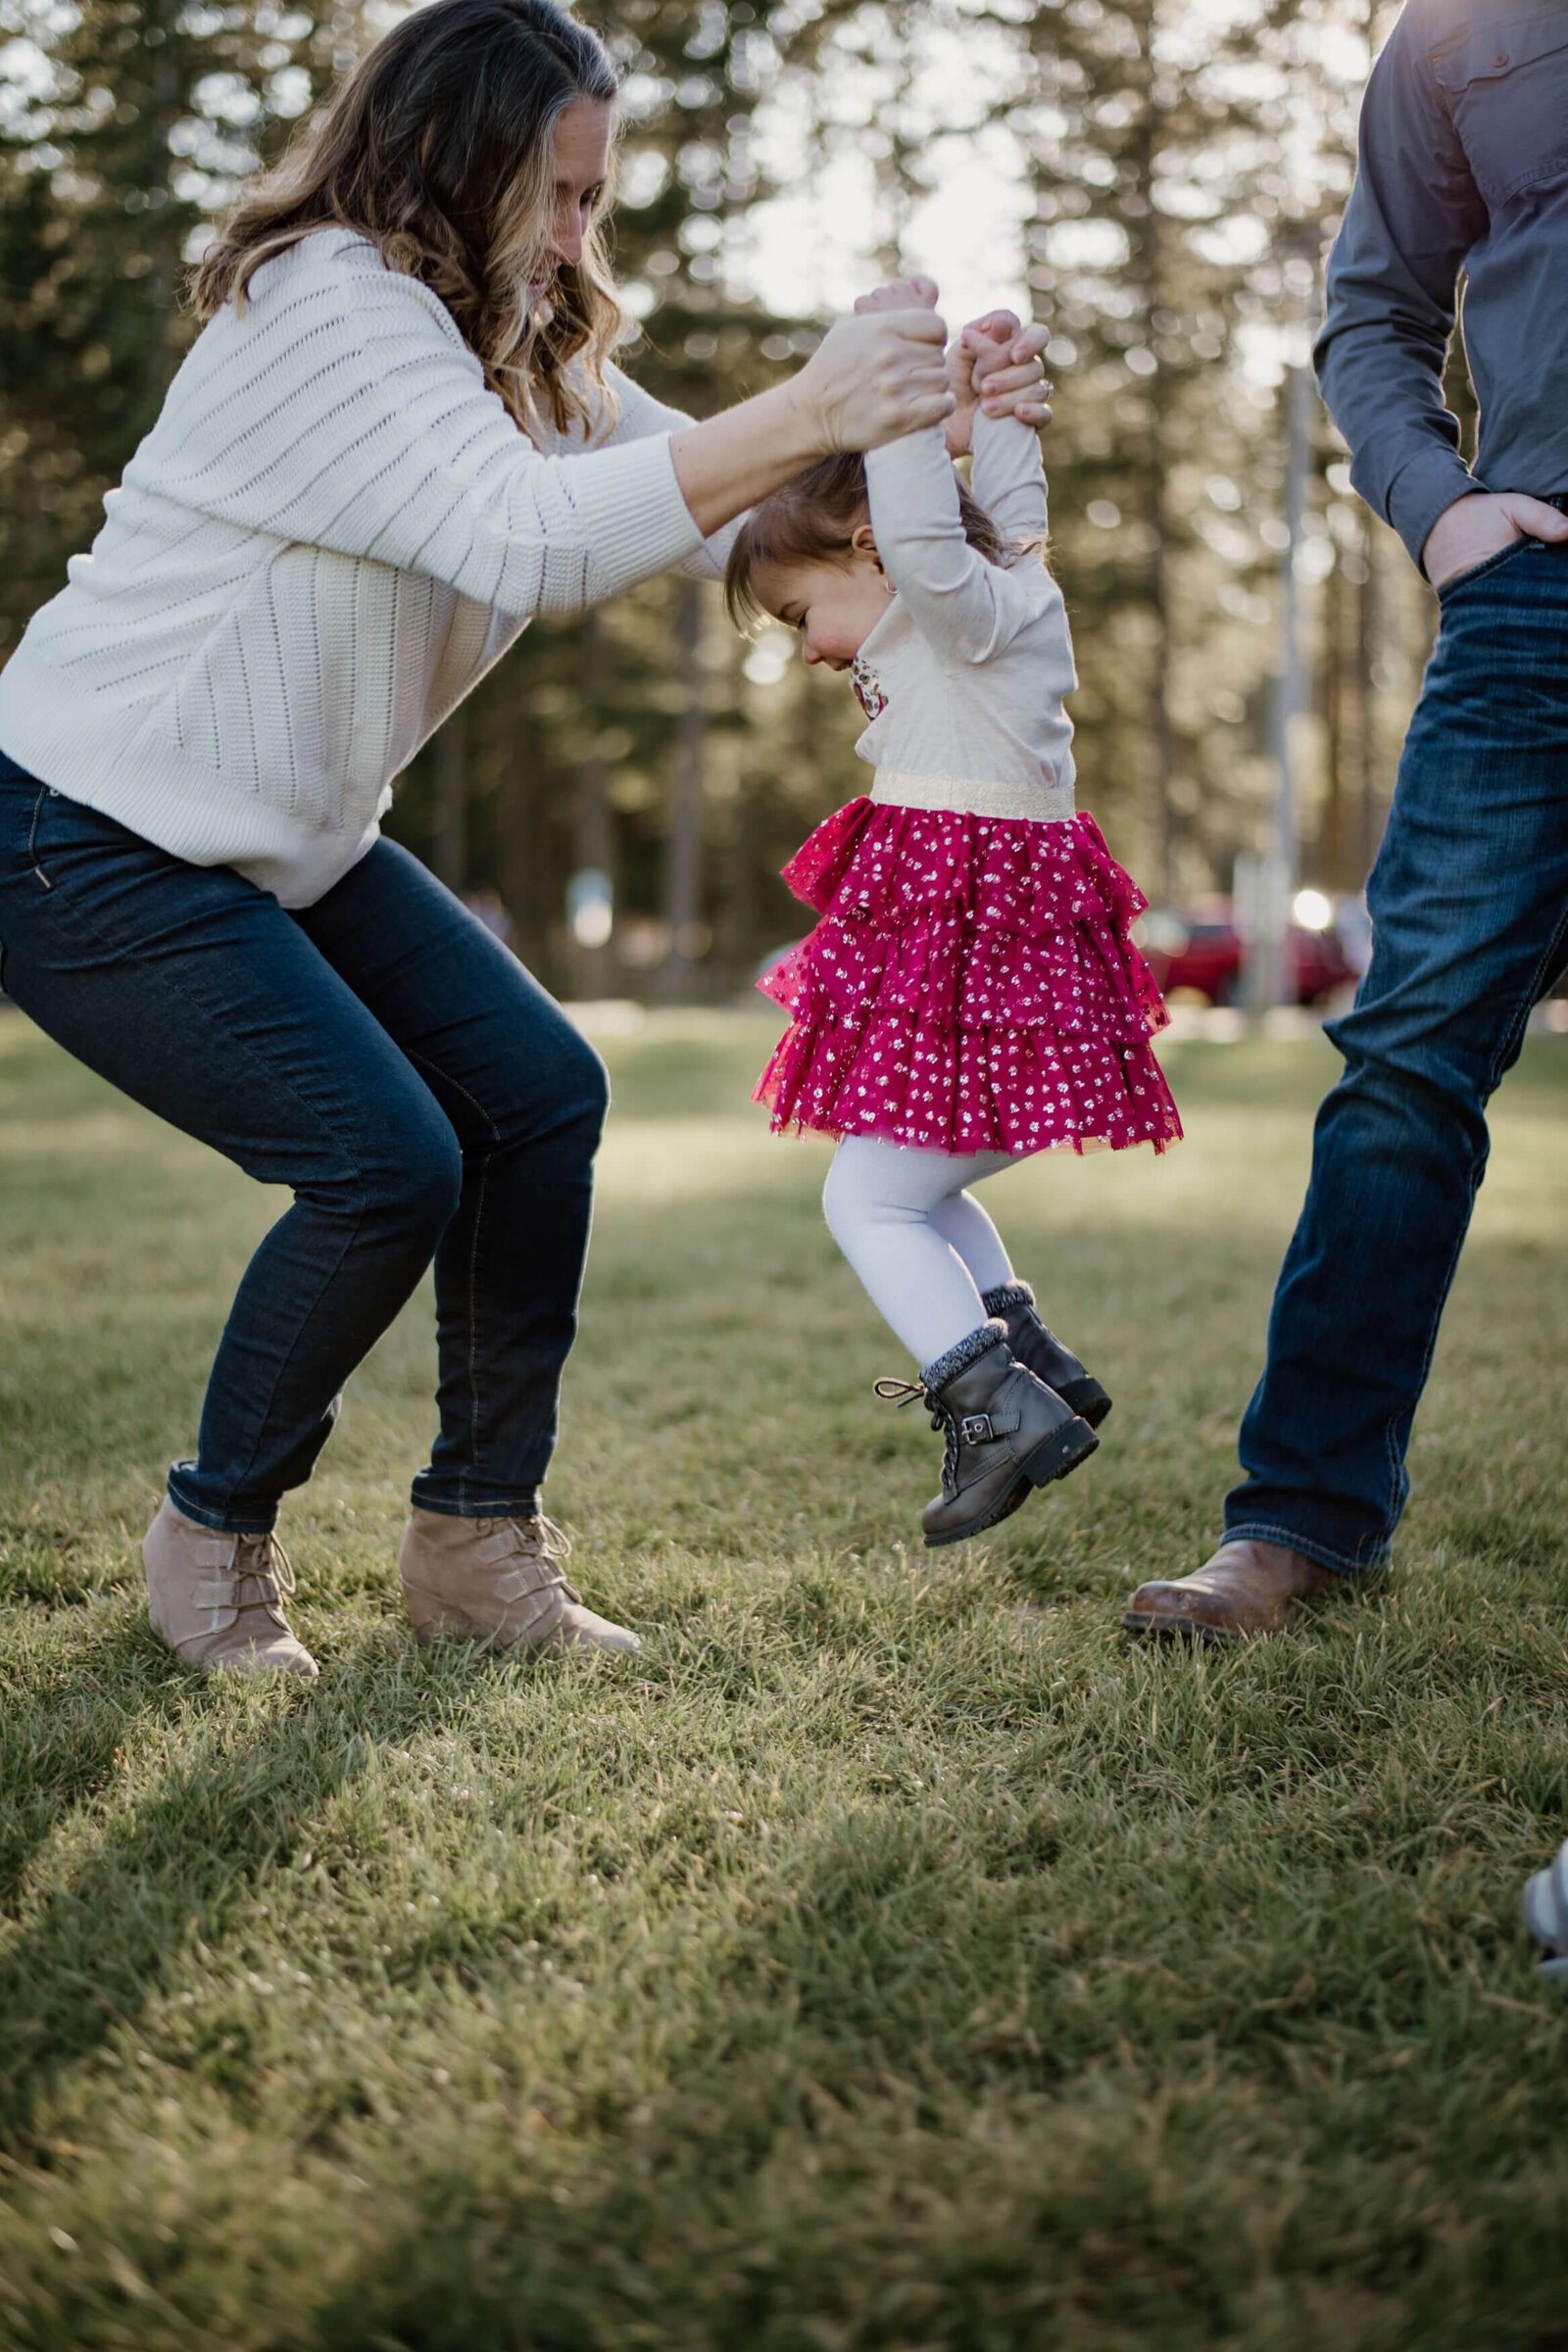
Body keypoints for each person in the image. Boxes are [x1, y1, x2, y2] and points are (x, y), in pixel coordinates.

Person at [0, 0, 1053, 1680]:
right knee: (381, 1162)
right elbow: (528, 543)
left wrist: (938, 430)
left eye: (593, 201)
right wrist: (809, 399)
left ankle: (477, 1549)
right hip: (87, 828)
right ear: (459, 161)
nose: (577, 236)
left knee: (540, 1095)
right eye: (555, 196)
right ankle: (213, 1531)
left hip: (283, 838)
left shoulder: (508, 338)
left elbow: (735, 503)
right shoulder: (331, 309)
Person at [1122, 0, 1568, 1644]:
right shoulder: (1459, 26)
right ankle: (1301, 1521)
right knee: (1407, 1060)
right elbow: (1371, 311)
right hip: (1537, 602)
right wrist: (1441, 509)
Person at [724, 283, 1182, 1549]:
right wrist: (1006, 399)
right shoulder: (1004, 592)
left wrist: (907, 397)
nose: (811, 651)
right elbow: (1004, 517)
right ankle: (1029, 1359)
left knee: (864, 1204)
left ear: (869, 547)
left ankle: (1001, 1411)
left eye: (799, 611)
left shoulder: (954, 610)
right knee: (912, 1195)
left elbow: (930, 533)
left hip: (987, 982)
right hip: (1011, 991)